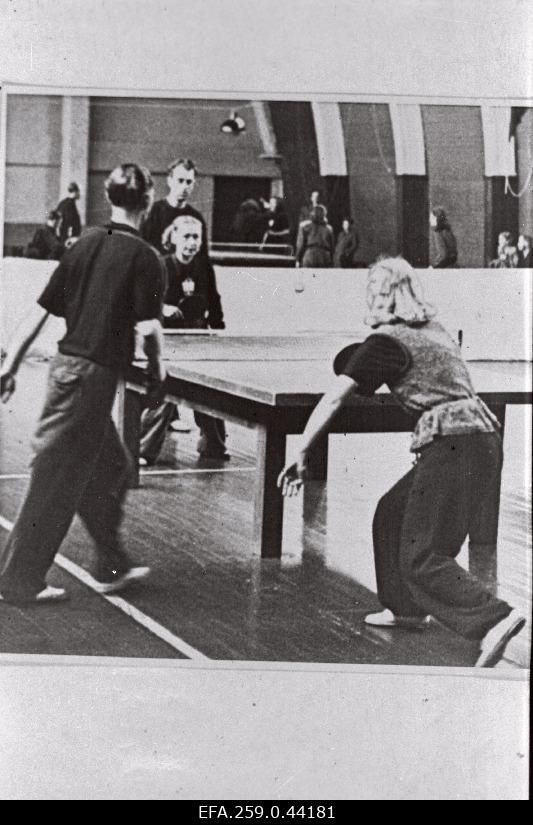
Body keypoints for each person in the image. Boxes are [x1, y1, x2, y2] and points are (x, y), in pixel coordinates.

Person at [277, 256, 525, 668]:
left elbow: (337, 396)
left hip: (452, 445)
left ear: (380, 294)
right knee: (391, 514)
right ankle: (406, 608)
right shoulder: (435, 331)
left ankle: (494, 618)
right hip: (481, 439)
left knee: (422, 556)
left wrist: (301, 448)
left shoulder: (386, 343)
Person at [0, 163, 167, 605]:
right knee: (54, 479)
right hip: (90, 379)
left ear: (109, 198)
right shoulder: (147, 258)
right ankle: (17, 581)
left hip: (69, 370)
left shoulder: (84, 243)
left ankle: (111, 563)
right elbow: (149, 331)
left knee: (111, 467)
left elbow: (39, 312)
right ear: (148, 201)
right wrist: (158, 374)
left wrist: (10, 365)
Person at [140, 215, 229, 465]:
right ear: (174, 237)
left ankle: (214, 446)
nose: (192, 242)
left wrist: (219, 331)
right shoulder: (162, 266)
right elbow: (145, 303)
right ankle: (143, 450)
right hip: (167, 339)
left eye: (196, 237)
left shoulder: (204, 268)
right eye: (187, 236)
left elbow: (214, 302)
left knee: (210, 390)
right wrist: (163, 308)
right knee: (165, 391)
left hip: (198, 336)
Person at [141, 158, 208, 256]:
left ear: (193, 185)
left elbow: (203, 257)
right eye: (180, 180)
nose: (184, 186)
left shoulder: (196, 218)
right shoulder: (152, 212)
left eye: (189, 182)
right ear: (169, 181)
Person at [55, 181, 82, 250]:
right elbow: (69, 222)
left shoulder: (63, 203)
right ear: (76, 192)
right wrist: (70, 237)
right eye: (79, 192)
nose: (80, 194)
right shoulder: (70, 205)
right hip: (67, 239)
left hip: (61, 237)